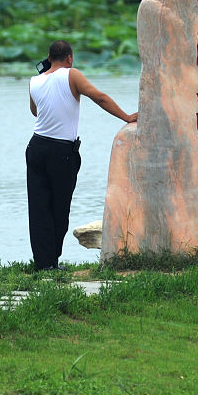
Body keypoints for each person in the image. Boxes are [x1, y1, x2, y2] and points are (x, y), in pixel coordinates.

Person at [26, 39, 137, 271]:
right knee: (59, 208)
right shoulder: (71, 75)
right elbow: (100, 97)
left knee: (38, 208)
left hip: (36, 148)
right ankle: (51, 263)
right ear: (69, 58)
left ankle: (43, 264)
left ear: (48, 58)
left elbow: (35, 111)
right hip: (61, 152)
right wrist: (126, 117)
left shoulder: (34, 81)